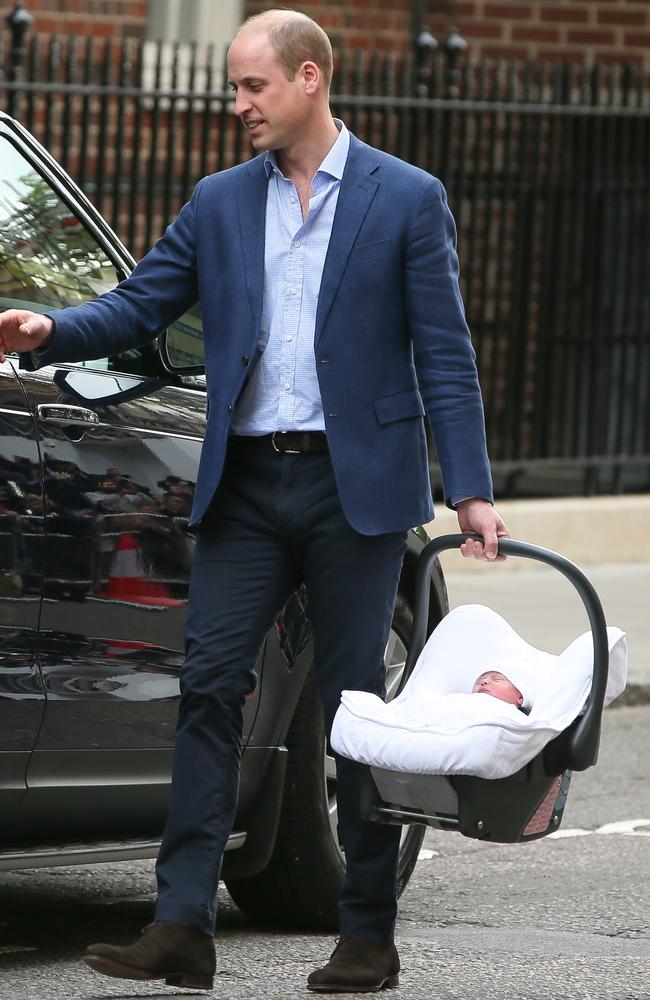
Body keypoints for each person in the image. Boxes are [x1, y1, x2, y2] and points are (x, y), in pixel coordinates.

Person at [0, 9, 509, 993]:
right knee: (207, 690)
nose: (236, 105)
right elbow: (140, 306)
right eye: (234, 88)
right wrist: (47, 329)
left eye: (251, 87)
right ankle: (180, 923)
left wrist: (472, 489)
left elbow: (444, 354)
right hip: (245, 483)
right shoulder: (221, 202)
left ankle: (364, 932)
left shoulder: (405, 199)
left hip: (353, 489)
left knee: (354, 708)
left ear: (308, 79)